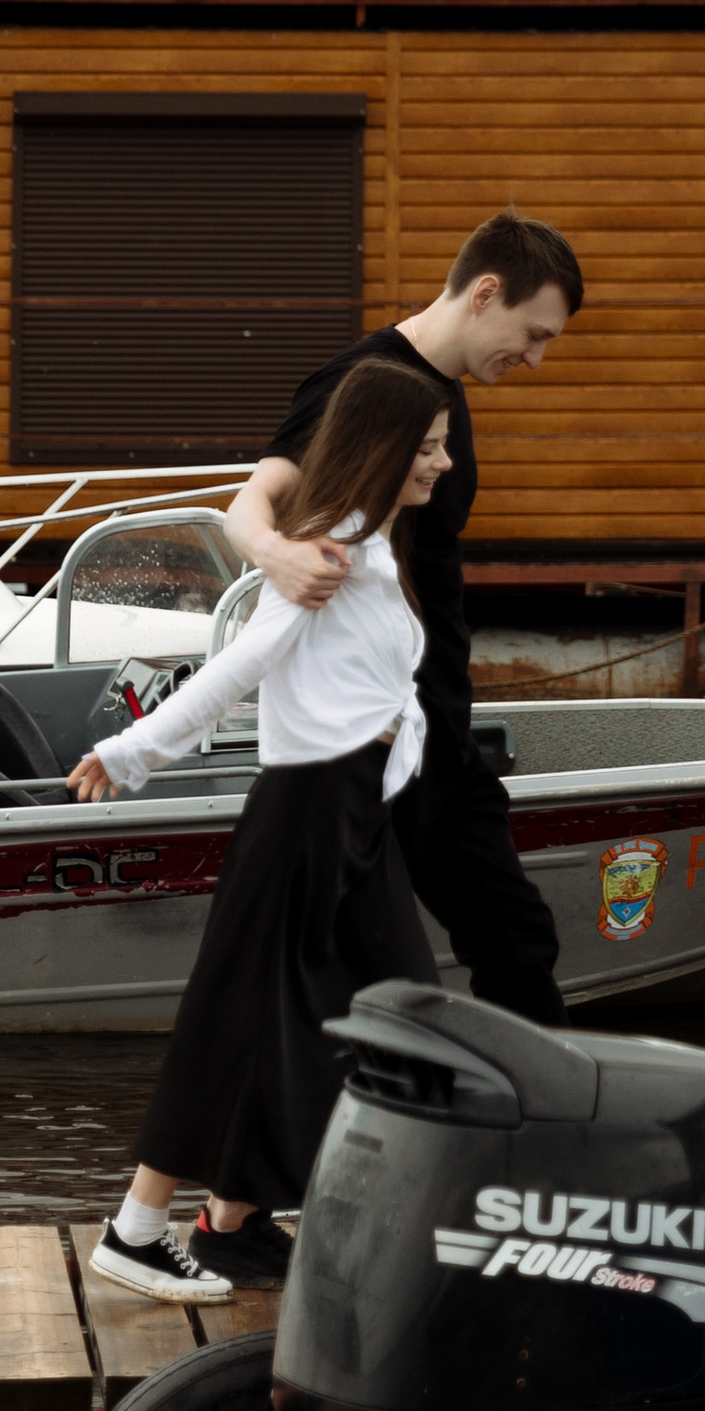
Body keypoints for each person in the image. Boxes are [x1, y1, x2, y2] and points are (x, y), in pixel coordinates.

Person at [73, 356, 450, 1302]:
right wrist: (131, 753)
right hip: (309, 811)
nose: (442, 464)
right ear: (387, 448)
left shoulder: (371, 543)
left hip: (352, 811)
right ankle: (134, 1229)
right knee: (242, 1013)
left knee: (361, 1013)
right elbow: (237, 666)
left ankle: (237, 1221)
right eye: (430, 448)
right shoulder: (331, 553)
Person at [228, 208, 580, 1031]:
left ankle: (546, 1143)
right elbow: (253, 500)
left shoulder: (445, 390)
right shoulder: (363, 383)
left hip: (441, 738)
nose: (533, 357)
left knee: (518, 940)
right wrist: (275, 556)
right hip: (371, 741)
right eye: (533, 334)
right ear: (486, 292)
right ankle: (292, 1136)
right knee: (356, 967)